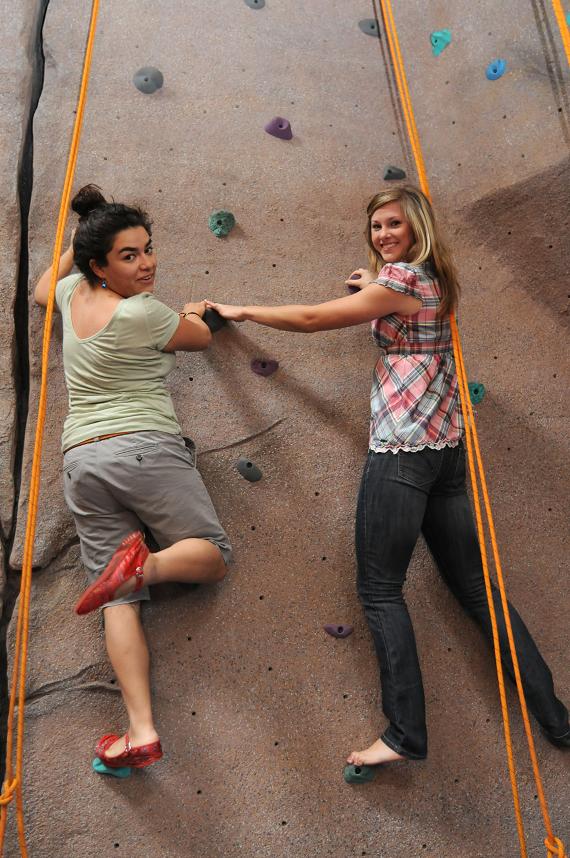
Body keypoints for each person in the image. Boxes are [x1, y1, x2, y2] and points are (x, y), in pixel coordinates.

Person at [206, 185, 569, 766]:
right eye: (375, 227)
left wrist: (241, 310)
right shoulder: (431, 280)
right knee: (477, 591)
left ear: (417, 225)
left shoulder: (400, 282)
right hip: (445, 448)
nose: (382, 235)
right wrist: (370, 287)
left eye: (393, 225)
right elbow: (400, 315)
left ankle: (405, 734)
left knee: (380, 591)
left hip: (402, 450)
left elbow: (312, 318)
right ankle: (557, 719)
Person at [34, 184, 232, 769]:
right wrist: (195, 312)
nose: (146, 263)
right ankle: (144, 564)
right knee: (212, 556)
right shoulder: (144, 312)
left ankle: (139, 730)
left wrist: (84, 230)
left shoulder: (74, 295)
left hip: (82, 462)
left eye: (147, 249)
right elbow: (197, 336)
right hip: (143, 448)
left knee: (119, 599)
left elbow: (45, 286)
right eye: (128, 255)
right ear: (101, 265)